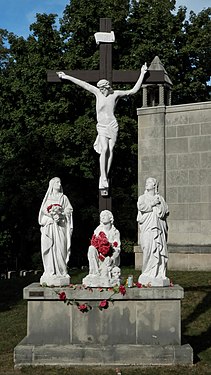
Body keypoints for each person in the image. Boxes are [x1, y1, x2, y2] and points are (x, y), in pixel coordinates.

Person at [57, 63, 147, 189]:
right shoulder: (97, 93)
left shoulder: (115, 94)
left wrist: (142, 73)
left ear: (107, 87)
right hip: (102, 126)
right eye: (100, 89)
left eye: (103, 89)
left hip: (112, 125)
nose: (102, 91)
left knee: (110, 150)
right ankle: (103, 176)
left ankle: (105, 175)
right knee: (104, 149)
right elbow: (83, 83)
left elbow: (133, 91)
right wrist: (67, 77)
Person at [38, 177, 73, 285]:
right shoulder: (47, 199)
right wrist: (52, 216)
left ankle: (62, 271)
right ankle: (49, 271)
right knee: (50, 248)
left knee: (61, 248)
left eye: (60, 182)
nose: (59, 184)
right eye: (57, 182)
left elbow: (69, 210)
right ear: (52, 185)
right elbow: (42, 214)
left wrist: (60, 214)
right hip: (49, 228)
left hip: (61, 227)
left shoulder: (64, 198)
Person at [137, 178, 169, 285]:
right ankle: (146, 272)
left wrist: (159, 204)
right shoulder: (142, 198)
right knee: (147, 249)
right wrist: (152, 204)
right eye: (146, 182)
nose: (146, 183)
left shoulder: (160, 198)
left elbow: (165, 211)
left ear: (154, 185)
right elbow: (141, 207)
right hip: (147, 228)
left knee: (159, 250)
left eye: (149, 182)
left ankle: (159, 273)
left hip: (158, 229)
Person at [82, 210, 121, 287]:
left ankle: (105, 274)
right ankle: (94, 273)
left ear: (110, 218)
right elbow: (94, 243)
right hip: (99, 255)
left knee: (106, 270)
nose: (102, 217)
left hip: (111, 257)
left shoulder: (115, 232)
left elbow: (117, 249)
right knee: (91, 248)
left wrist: (112, 258)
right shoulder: (98, 230)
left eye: (104, 215)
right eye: (101, 216)